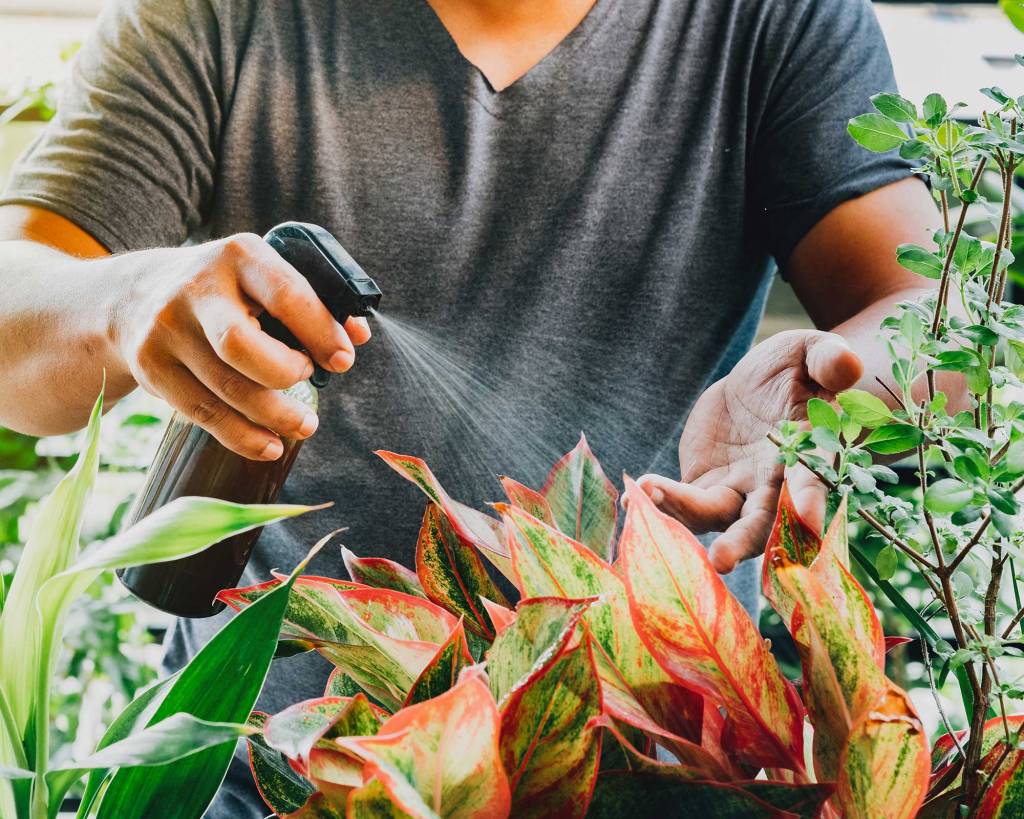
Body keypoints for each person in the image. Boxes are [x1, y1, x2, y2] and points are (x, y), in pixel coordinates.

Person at [0, 0, 942, 814]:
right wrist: (123, 306)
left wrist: (833, 392)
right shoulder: (216, 17)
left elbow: (940, 320)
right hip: (271, 774)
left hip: (661, 763)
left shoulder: (771, 18)